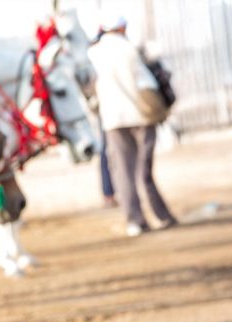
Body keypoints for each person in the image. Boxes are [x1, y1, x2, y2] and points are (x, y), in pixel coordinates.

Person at [88, 15, 177, 236]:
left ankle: (135, 221)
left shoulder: (93, 54)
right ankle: (162, 216)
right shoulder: (130, 49)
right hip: (141, 117)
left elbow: (90, 90)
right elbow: (147, 82)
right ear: (121, 27)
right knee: (143, 170)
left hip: (112, 121)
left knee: (123, 172)